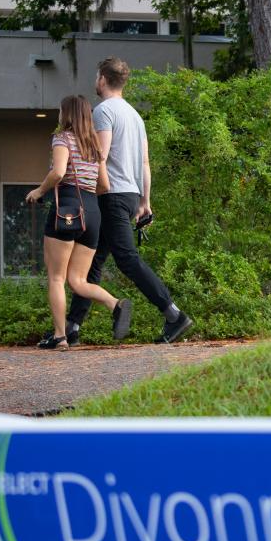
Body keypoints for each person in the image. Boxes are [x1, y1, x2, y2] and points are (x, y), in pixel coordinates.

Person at [63, 57, 193, 345]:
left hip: (111, 194)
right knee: (93, 261)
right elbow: (145, 162)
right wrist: (145, 201)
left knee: (127, 258)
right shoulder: (135, 115)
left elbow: (101, 156)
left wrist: (94, 191)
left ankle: (174, 314)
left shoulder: (103, 111)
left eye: (96, 76)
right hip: (131, 194)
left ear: (102, 79)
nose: (95, 81)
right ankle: (72, 326)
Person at [26, 95, 132, 351]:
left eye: (61, 111)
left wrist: (38, 192)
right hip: (93, 213)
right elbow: (104, 185)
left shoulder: (62, 138)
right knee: (78, 280)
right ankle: (115, 304)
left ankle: (60, 336)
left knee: (56, 277)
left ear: (68, 114)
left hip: (68, 210)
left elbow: (59, 172)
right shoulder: (94, 146)